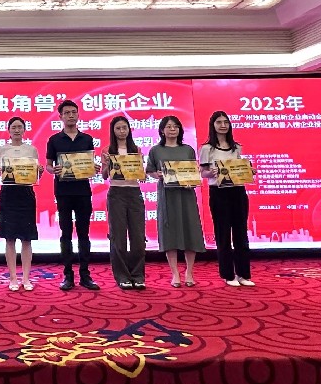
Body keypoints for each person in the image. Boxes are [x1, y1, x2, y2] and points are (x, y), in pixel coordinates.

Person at [45, 99, 101, 291]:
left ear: (78, 115)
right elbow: (48, 165)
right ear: (60, 117)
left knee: (84, 233)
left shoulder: (87, 139)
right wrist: (53, 169)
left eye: (73, 112)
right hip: (63, 192)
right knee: (66, 233)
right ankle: (68, 275)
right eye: (67, 113)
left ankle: (85, 275)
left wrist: (94, 168)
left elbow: (89, 163)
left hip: (83, 191)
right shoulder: (54, 140)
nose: (71, 115)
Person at [145, 115, 206, 287]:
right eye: (169, 126)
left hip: (186, 195)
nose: (172, 129)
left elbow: (193, 171)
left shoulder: (187, 150)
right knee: (169, 233)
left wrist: (193, 178)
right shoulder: (156, 150)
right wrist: (157, 174)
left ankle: (189, 272)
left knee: (190, 231)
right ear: (162, 130)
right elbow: (150, 171)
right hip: (167, 196)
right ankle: (175, 274)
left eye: (176, 126)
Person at [200, 111, 255, 287]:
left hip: (238, 191)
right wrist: (212, 172)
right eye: (219, 122)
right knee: (223, 234)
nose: (223, 125)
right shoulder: (207, 149)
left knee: (241, 234)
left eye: (226, 122)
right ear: (213, 125)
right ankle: (228, 274)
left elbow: (239, 169)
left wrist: (248, 171)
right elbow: (203, 173)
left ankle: (243, 274)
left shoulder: (236, 147)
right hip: (219, 193)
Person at [0, 116, 42, 291]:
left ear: (24, 130)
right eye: (13, 127)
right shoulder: (1, 150)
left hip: (26, 194)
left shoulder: (31, 150)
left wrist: (40, 172)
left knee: (27, 238)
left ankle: (26, 278)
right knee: (10, 237)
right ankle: (13, 278)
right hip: (9, 193)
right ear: (8, 130)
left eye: (19, 127)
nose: (16, 130)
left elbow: (35, 175)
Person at [100, 115, 146, 290]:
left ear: (129, 130)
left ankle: (138, 275)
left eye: (124, 128)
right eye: (118, 128)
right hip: (116, 194)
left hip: (134, 193)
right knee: (118, 238)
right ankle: (122, 276)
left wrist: (141, 171)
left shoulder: (136, 149)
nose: (121, 131)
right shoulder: (107, 150)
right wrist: (106, 164)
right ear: (113, 131)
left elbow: (141, 175)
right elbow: (104, 176)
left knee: (138, 238)